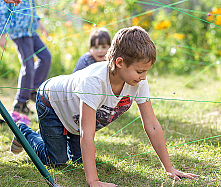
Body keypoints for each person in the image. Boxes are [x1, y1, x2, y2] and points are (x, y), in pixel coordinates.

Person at [10, 26, 198, 186]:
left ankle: (54, 135)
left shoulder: (138, 81)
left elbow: (152, 124)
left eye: (146, 71)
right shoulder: (95, 82)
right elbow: (86, 133)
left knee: (78, 160)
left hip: (74, 117)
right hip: (51, 102)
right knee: (57, 161)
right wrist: (93, 181)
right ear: (120, 62)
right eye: (140, 71)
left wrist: (169, 168)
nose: (144, 77)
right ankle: (24, 132)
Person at [0, 0, 52, 115]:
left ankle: (32, 89)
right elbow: (3, 11)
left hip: (31, 32)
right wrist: (2, 34)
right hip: (20, 33)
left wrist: (41, 25)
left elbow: (32, 9)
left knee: (46, 57)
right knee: (29, 66)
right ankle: (20, 102)